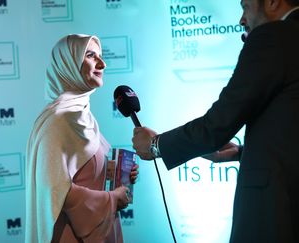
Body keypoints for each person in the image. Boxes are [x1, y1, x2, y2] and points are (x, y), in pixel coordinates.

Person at [132, 0, 299, 242]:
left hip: (277, 208)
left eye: (246, 7)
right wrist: (243, 152)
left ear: (273, 2)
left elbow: (217, 125)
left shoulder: (275, 36)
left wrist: (156, 145)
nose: (242, 19)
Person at [26, 34, 139, 243]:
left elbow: (85, 173)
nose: (102, 64)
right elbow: (57, 190)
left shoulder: (83, 115)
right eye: (90, 55)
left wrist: (118, 175)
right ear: (68, 64)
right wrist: (112, 199)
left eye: (101, 56)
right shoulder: (57, 121)